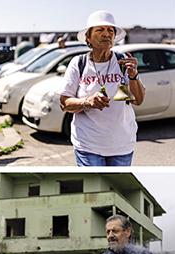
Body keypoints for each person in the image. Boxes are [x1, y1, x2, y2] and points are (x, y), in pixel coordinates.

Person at [59, 10, 144, 167]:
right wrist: (87, 102)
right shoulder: (79, 63)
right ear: (88, 37)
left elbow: (138, 100)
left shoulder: (122, 62)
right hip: (88, 145)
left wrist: (133, 76)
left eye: (110, 30)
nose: (106, 34)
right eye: (100, 30)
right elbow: (65, 103)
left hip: (121, 145)